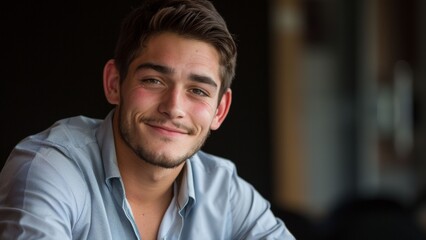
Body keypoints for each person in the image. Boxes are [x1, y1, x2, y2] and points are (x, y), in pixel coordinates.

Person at [0, 0, 295, 239]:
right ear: (115, 83)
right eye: (154, 80)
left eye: (197, 90)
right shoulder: (50, 169)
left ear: (219, 110)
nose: (174, 107)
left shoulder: (223, 189)